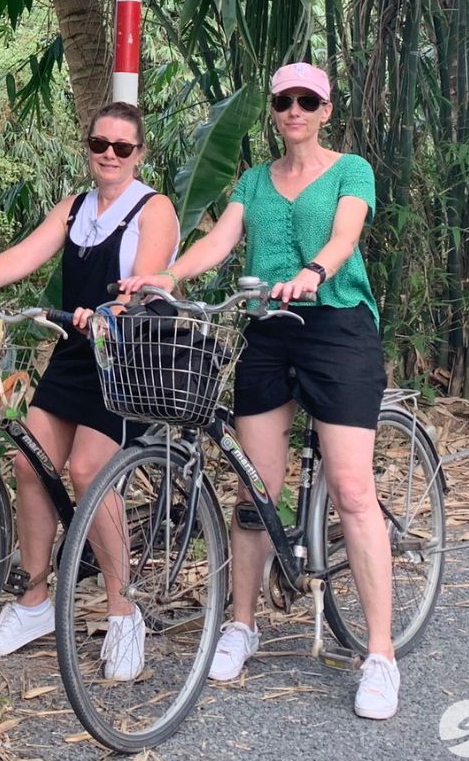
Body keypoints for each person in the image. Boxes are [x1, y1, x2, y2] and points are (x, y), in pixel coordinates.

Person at [118, 62, 401, 719]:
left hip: (337, 327)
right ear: (273, 109)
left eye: (307, 100)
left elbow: (345, 236)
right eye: (283, 100)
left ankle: (380, 654)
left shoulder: (351, 170)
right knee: (253, 487)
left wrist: (313, 271)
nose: (294, 110)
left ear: (325, 110)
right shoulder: (252, 180)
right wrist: (166, 277)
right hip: (267, 330)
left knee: (352, 489)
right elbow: (220, 242)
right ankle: (241, 624)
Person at [0, 102, 178, 680]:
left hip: (128, 357)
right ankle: (34, 601)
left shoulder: (154, 208)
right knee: (30, 461)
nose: (109, 155)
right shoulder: (73, 208)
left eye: (122, 147)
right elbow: (27, 252)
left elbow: (145, 277)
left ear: (139, 154)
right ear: (88, 147)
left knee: (90, 470)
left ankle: (123, 612)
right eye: (99, 144)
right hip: (74, 349)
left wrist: (116, 308)